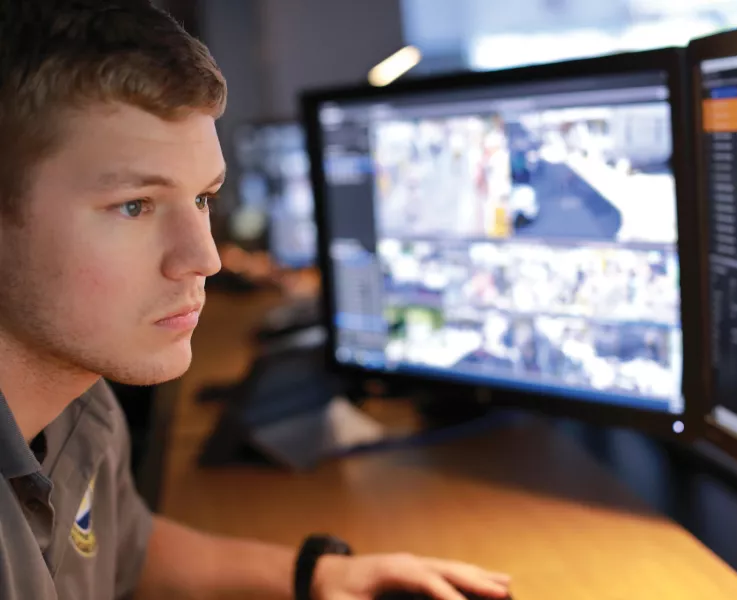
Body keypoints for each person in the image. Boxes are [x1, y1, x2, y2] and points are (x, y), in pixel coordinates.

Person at [0, 1, 514, 599]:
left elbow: (127, 548)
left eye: (202, 199)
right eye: (134, 205)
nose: (206, 258)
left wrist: (318, 575)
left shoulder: (81, 406)